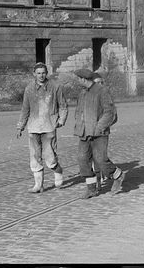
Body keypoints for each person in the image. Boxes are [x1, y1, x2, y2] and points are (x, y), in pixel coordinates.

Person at [73, 68, 125, 199]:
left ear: (83, 79)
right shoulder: (82, 93)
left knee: (100, 160)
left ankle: (117, 175)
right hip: (84, 132)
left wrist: (99, 127)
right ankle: (91, 188)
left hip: (99, 133)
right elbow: (78, 112)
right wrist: (79, 126)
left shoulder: (102, 91)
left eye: (78, 79)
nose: (77, 81)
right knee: (82, 159)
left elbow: (109, 112)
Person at [16, 62, 68, 193]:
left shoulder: (55, 87)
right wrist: (20, 126)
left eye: (43, 73)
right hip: (33, 127)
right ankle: (38, 185)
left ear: (47, 73)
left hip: (49, 125)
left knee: (50, 156)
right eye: (38, 73)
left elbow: (63, 105)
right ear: (34, 74)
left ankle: (57, 170)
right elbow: (25, 109)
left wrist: (61, 120)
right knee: (34, 156)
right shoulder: (29, 89)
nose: (41, 75)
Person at [89, 72, 116, 191]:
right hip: (89, 132)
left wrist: (102, 125)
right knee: (91, 157)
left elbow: (114, 116)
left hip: (102, 132)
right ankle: (97, 181)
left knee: (100, 157)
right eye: (97, 83)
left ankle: (113, 175)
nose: (100, 85)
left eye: (101, 82)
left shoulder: (106, 96)